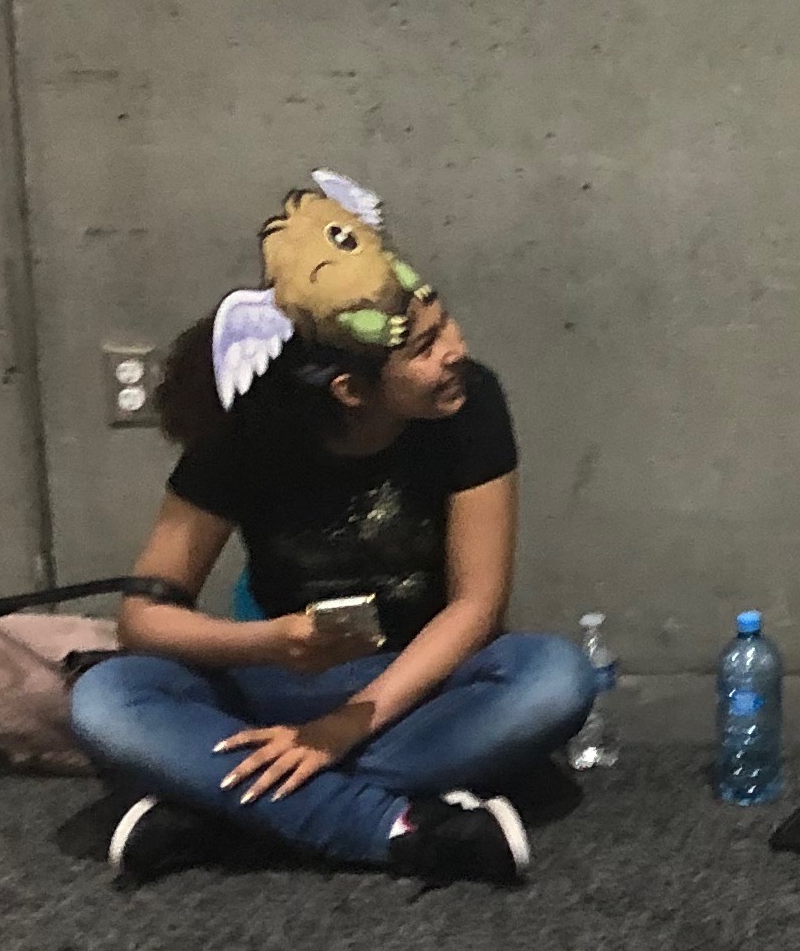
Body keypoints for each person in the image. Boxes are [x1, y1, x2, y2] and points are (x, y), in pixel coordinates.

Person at [69, 171, 595, 885]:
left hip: (417, 685)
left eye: (445, 325)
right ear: (351, 389)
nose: (455, 351)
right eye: (424, 348)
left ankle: (232, 814)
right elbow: (143, 618)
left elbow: (477, 607)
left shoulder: (469, 402)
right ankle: (395, 828)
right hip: (275, 681)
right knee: (107, 700)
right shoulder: (246, 434)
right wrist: (271, 642)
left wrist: (341, 729)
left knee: (554, 678)